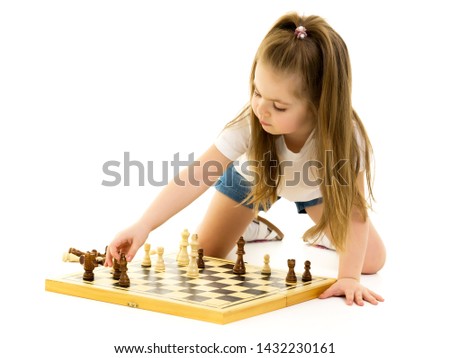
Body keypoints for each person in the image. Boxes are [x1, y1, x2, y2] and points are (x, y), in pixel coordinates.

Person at [105, 12, 386, 306]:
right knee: (207, 253)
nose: (261, 109)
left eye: (279, 106)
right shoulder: (251, 122)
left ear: (319, 106)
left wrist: (350, 278)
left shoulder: (345, 137)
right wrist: (144, 224)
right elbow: (197, 174)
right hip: (252, 181)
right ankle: (251, 224)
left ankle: (322, 233)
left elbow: (354, 213)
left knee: (371, 261)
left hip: (314, 190)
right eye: (256, 91)